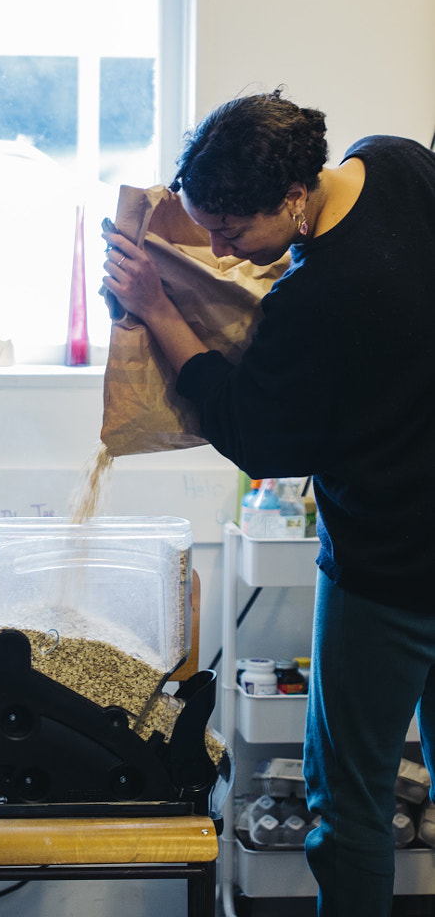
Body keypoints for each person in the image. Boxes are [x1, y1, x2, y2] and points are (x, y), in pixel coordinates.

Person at [101, 88, 435, 917]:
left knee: (346, 801)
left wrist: (157, 308)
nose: (219, 247)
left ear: (292, 198)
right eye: (206, 225)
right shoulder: (397, 162)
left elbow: (260, 438)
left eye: (232, 231)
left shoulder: (317, 295)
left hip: (391, 570)